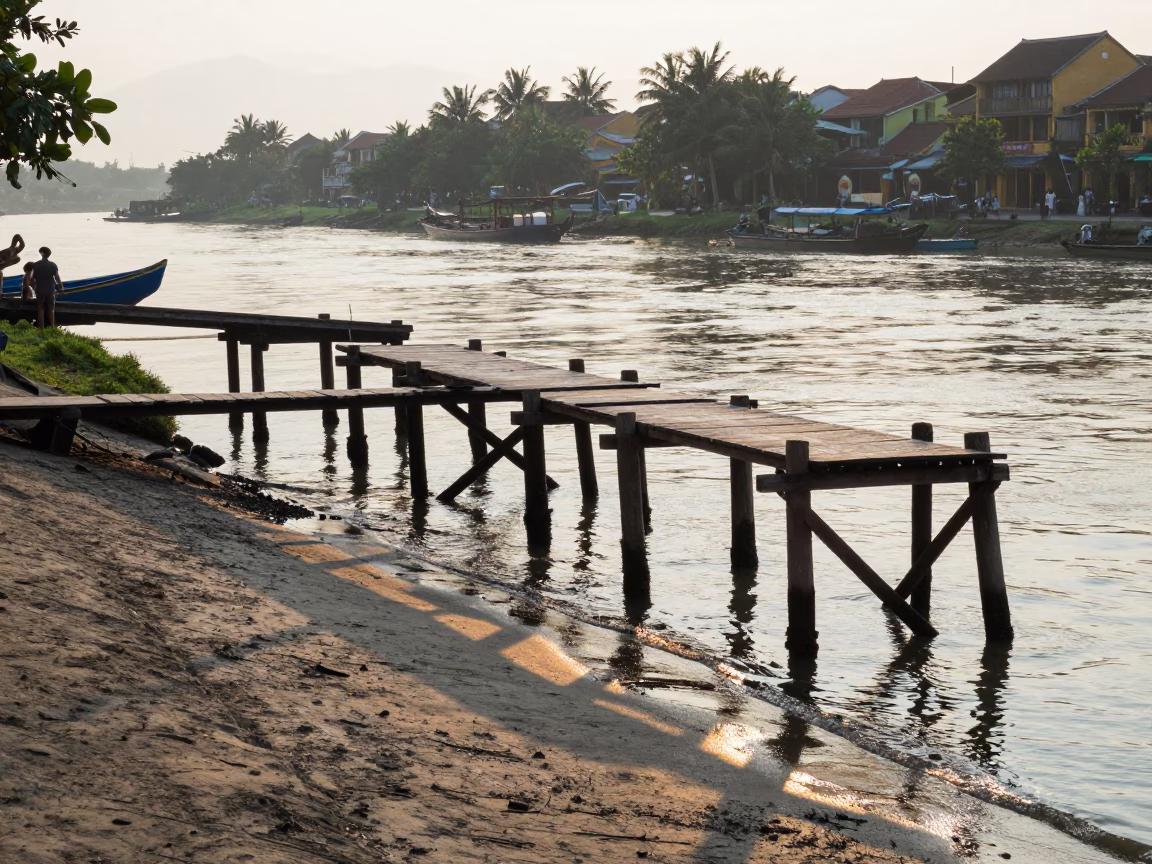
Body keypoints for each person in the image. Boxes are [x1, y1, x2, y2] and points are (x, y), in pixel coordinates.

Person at [31, 246, 62, 329]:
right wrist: (61, 287)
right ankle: (52, 326)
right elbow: (57, 278)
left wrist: (34, 288)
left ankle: (41, 328)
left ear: (41, 254)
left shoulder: (36, 265)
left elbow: (32, 279)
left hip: (40, 290)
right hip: (50, 290)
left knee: (40, 309)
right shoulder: (53, 265)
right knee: (51, 309)